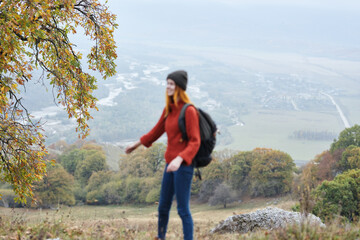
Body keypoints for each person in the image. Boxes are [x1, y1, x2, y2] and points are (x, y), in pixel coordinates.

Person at [125, 70, 200, 240]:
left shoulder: (189, 111)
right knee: (163, 207)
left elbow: (195, 141)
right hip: (170, 165)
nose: (168, 86)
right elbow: (155, 132)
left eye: (171, 84)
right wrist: (135, 145)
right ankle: (160, 237)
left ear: (180, 87)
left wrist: (180, 159)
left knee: (182, 210)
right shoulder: (169, 109)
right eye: (167, 83)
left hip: (184, 166)